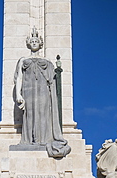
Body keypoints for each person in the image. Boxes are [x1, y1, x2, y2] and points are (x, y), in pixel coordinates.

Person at [14, 27, 71, 158]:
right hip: (28, 90)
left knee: (43, 113)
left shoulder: (47, 61)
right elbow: (19, 78)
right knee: (29, 115)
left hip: (43, 91)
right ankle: (29, 140)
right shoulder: (23, 60)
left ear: (40, 44)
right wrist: (18, 94)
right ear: (28, 43)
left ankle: (44, 140)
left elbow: (52, 81)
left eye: (36, 41)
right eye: (32, 41)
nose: (34, 43)